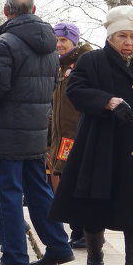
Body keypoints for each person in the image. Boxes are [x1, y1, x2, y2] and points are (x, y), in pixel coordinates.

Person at [48, 5, 133, 265]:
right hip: (100, 142)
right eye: (123, 36)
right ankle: (95, 261)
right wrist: (107, 101)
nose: (129, 43)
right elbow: (76, 91)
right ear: (111, 37)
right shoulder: (92, 62)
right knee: (95, 203)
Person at [0, 0, 73, 265]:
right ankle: (58, 245)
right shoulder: (50, 46)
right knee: (38, 191)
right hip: (36, 130)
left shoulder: (5, 44)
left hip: (5, 132)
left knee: (6, 193)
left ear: (6, 10)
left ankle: (14, 255)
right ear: (34, 9)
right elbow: (51, 85)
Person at [47, 21, 91, 249]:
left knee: (78, 184)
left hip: (78, 135)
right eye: (56, 40)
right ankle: (77, 230)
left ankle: (84, 231)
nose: (58, 44)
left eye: (63, 40)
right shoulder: (60, 66)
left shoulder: (85, 62)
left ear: (74, 41)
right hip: (62, 136)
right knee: (66, 182)